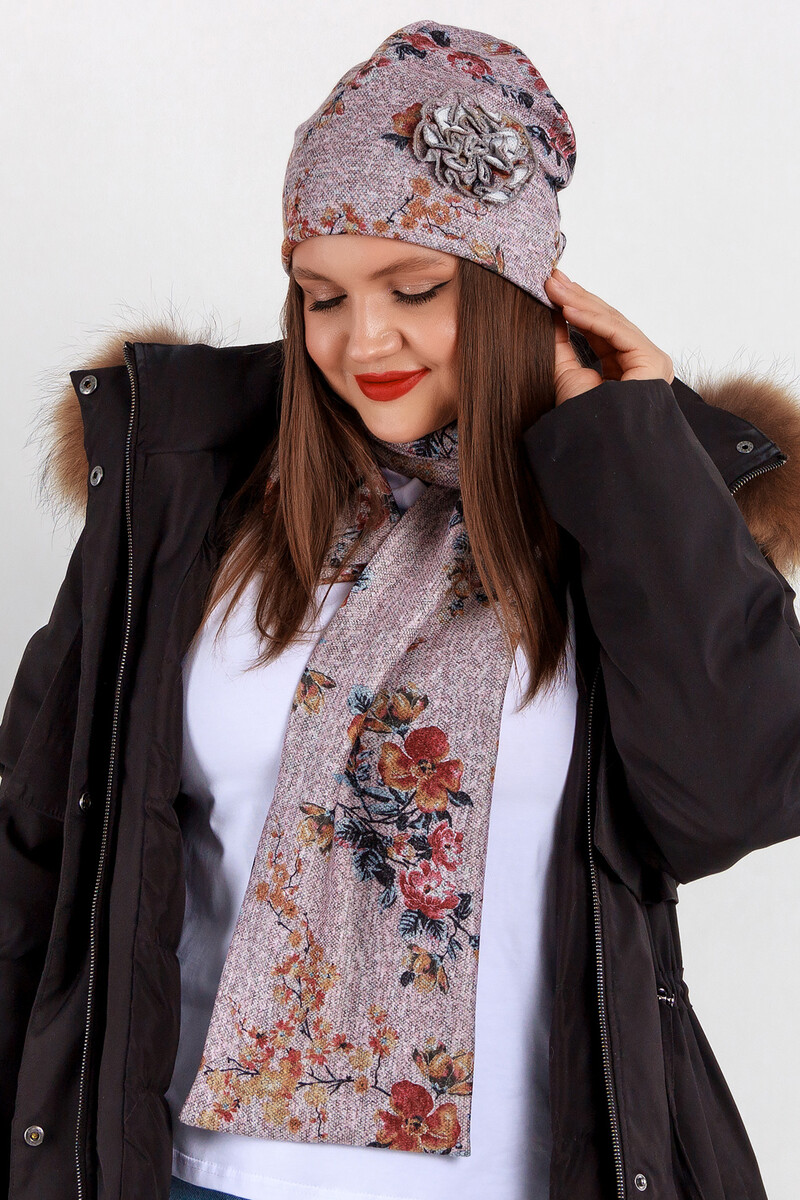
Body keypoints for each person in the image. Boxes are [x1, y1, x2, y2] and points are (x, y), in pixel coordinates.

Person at [1, 17, 800, 1200]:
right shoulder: (191, 504)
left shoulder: (618, 508)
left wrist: (627, 442)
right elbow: (34, 844)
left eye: (414, 288)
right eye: (320, 296)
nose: (361, 340)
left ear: (520, 288)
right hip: (190, 1176)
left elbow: (735, 793)